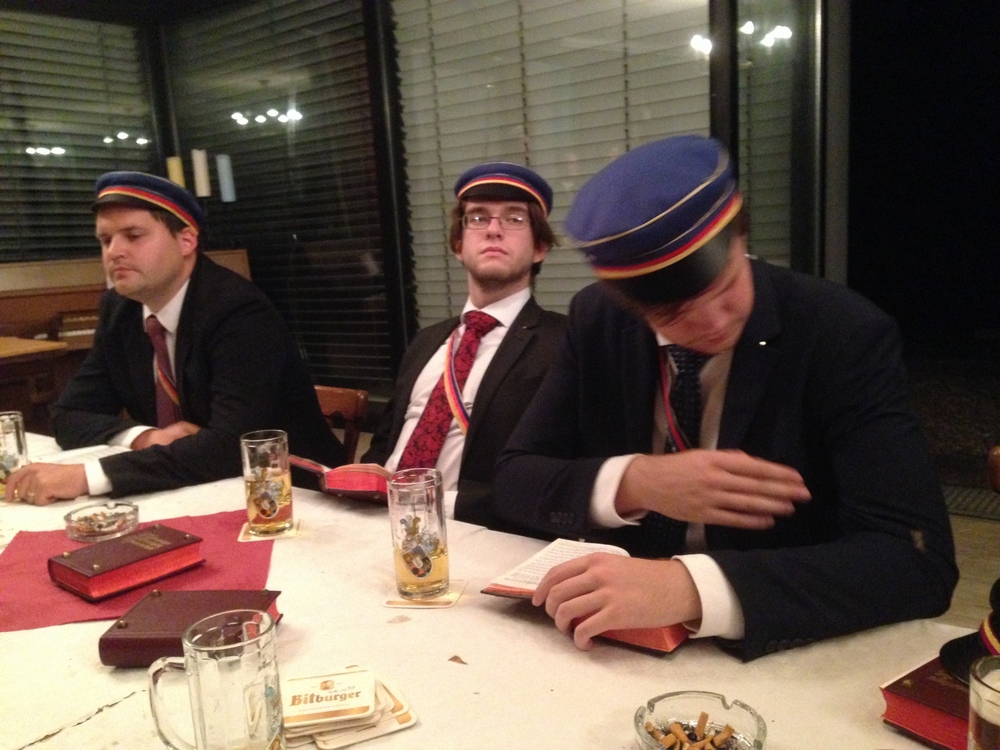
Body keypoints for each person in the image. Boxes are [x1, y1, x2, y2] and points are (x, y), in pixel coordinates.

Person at [493, 135, 958, 661]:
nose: (714, 322)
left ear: (740, 237)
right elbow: (514, 479)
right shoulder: (598, 319)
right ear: (631, 307)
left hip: (776, 645)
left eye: (724, 287)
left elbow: (918, 563)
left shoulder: (841, 332)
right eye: (673, 314)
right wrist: (636, 482)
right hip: (616, 643)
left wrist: (692, 587)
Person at [6, 172, 345, 505]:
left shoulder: (238, 311)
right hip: (188, 487)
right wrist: (145, 437)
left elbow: (230, 446)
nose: (114, 252)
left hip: (292, 494)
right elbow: (69, 414)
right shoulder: (120, 309)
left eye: (133, 236)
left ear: (186, 241)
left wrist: (89, 477)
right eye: (105, 240)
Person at [363, 162, 566, 528]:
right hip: (377, 520)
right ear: (458, 245)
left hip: (471, 530)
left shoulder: (564, 344)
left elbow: (560, 477)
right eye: (477, 217)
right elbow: (382, 446)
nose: (493, 229)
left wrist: (433, 502)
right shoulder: (426, 341)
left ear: (540, 247)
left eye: (514, 219)